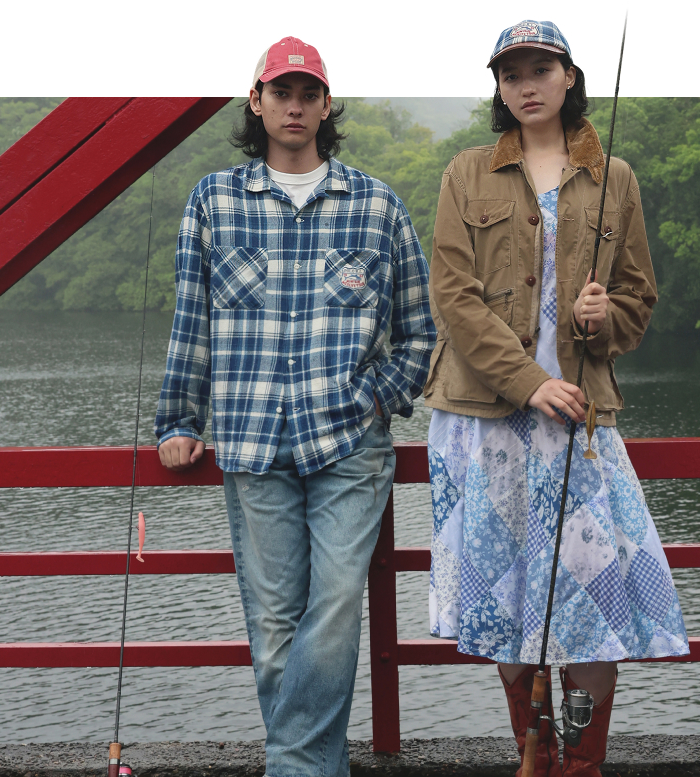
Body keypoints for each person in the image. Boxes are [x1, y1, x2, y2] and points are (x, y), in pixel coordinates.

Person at [154, 36, 434, 777]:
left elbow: (420, 335)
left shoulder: (377, 205)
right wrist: (179, 421)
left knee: (335, 607)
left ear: (327, 105)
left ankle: (290, 768)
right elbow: (191, 324)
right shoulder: (213, 201)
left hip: (349, 444)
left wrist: (373, 398)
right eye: (281, 92)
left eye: (309, 93)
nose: (295, 106)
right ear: (257, 101)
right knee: (274, 625)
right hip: (251, 441)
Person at [424, 20, 689, 777]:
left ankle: (582, 765)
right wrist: (529, 381)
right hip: (483, 420)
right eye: (511, 74)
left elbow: (638, 298)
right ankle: (534, 756)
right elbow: (454, 295)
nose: (526, 85)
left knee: (594, 596)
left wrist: (605, 321)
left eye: (540, 69)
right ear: (499, 88)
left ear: (569, 76)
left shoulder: (617, 178)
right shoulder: (466, 172)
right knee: (500, 598)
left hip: (579, 419)